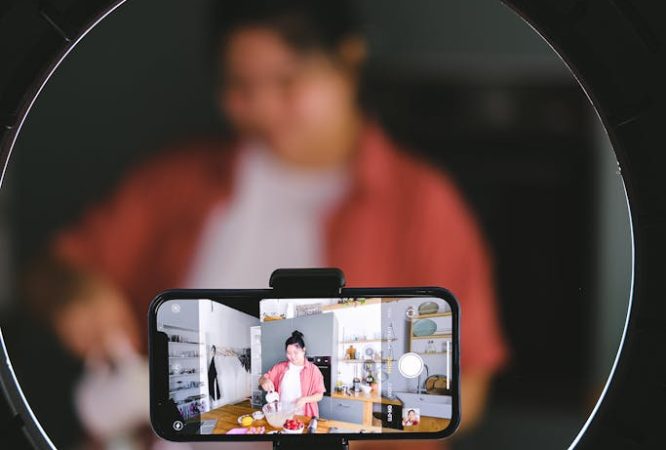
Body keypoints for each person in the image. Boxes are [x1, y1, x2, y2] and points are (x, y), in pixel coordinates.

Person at [24, 0, 508, 447]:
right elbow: (54, 270)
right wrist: (74, 293)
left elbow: (467, 383)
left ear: (348, 58)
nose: (262, 108)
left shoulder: (420, 204)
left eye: (287, 82)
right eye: (240, 87)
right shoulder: (177, 182)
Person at [258, 331, 325, 417]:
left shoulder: (313, 370)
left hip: (303, 415)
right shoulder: (280, 367)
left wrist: (304, 399)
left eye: (295, 352)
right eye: (288, 353)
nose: (292, 356)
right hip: (281, 414)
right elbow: (262, 379)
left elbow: (320, 395)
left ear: (303, 350)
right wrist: (264, 381)